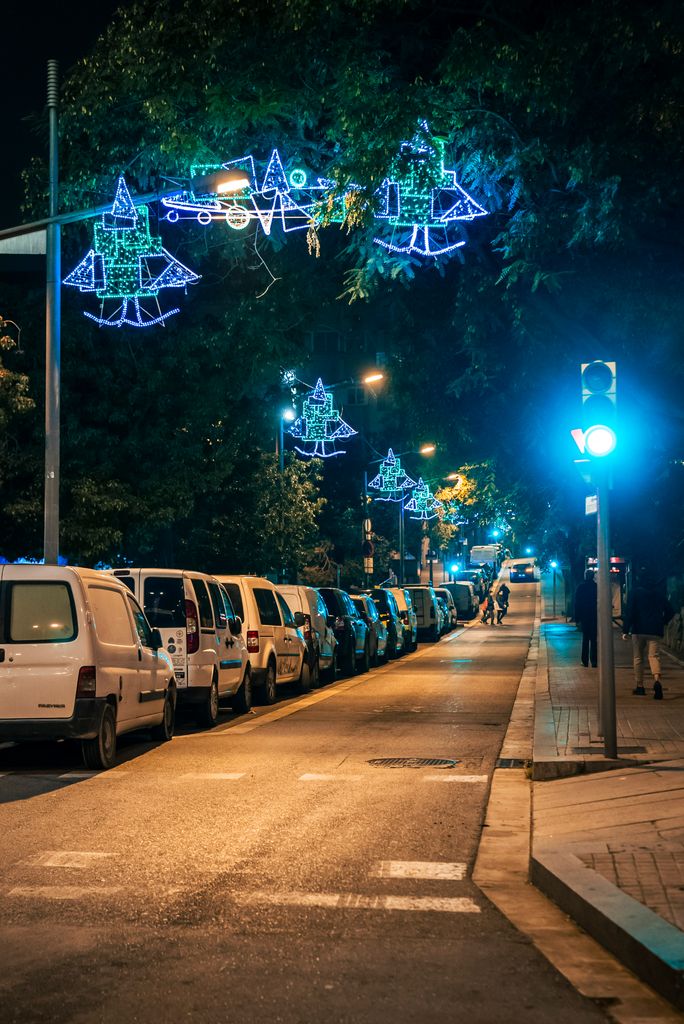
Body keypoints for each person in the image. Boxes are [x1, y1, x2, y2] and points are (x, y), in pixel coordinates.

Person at [622, 568, 674, 699]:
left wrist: (625, 630)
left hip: (638, 630)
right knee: (654, 656)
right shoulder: (659, 593)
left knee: (638, 658)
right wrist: (662, 621)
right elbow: (670, 610)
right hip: (655, 630)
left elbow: (630, 612)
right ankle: (657, 681)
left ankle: (640, 686)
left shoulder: (635, 593)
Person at [574, 570, 598, 668]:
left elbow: (577, 603)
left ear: (585, 576)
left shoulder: (581, 587)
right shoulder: (596, 587)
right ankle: (594, 661)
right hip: (594, 615)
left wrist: (577, 618)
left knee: (585, 639)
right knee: (594, 639)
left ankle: (584, 661)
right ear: (593, 576)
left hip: (584, 616)